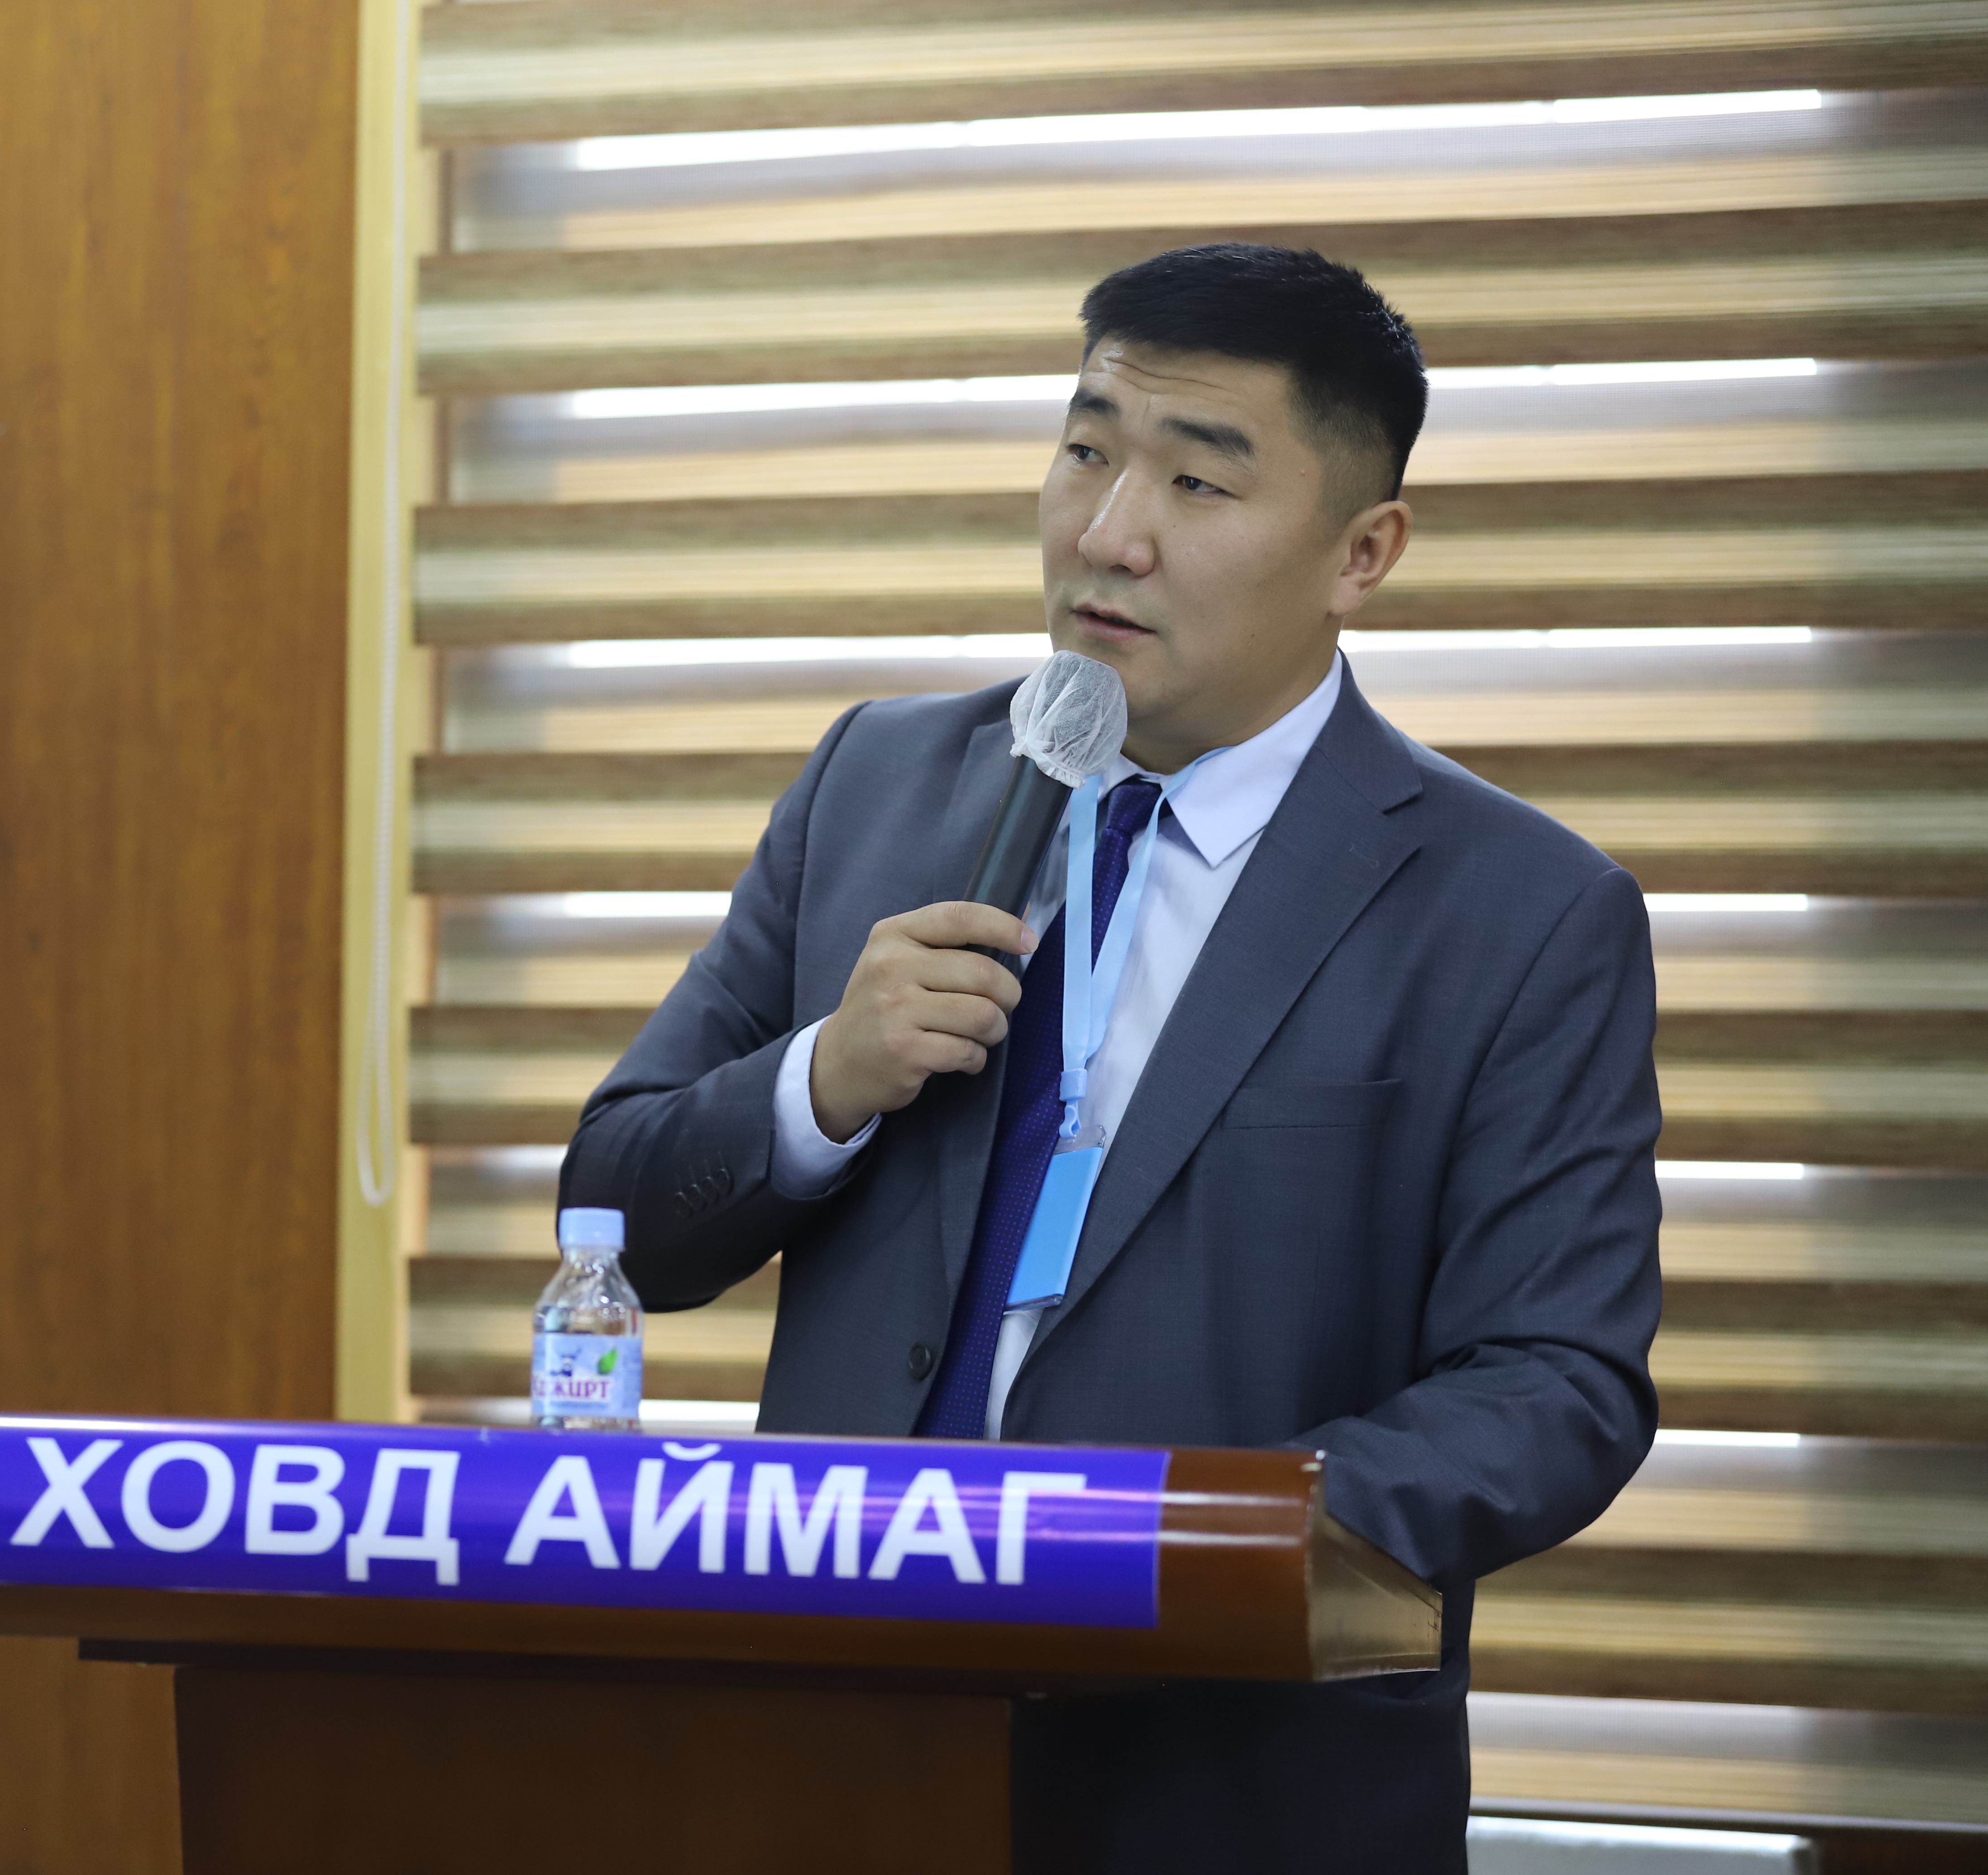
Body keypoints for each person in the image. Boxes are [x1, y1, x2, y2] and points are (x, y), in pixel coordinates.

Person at [561, 243, 1661, 1872]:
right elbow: (616, 1220)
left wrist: (1177, 1545)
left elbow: (1557, 1384)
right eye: (1088, 449)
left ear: (1362, 553)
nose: (1109, 531)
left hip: (1234, 1780)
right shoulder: (877, 782)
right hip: (836, 1754)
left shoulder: (1518, 910)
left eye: (1198, 482)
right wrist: (824, 1081)